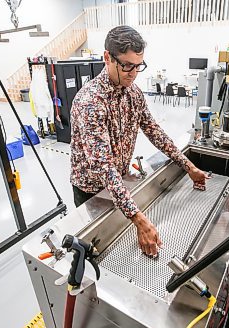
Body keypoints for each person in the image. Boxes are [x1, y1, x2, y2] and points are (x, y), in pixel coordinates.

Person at [70, 26, 209, 257]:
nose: (133, 73)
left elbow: (154, 131)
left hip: (120, 181)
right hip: (92, 191)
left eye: (138, 66)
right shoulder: (90, 102)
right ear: (107, 57)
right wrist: (139, 219)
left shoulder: (133, 93)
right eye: (127, 65)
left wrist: (189, 166)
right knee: (99, 253)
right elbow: (103, 168)